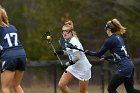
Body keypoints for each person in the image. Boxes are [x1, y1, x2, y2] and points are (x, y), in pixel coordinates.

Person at [85, 18, 140, 93]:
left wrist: (88, 52)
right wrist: (106, 57)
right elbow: (118, 54)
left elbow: (99, 54)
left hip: (124, 68)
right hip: (130, 65)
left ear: (109, 29)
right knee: (131, 90)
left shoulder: (110, 40)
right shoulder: (119, 38)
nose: (105, 31)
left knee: (111, 89)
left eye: (106, 29)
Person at [55, 20, 92, 93]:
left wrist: (66, 64)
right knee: (61, 85)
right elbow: (70, 53)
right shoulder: (67, 41)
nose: (64, 33)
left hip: (83, 69)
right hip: (74, 67)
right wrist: (61, 52)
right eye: (63, 31)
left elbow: (77, 57)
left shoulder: (74, 41)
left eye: (67, 31)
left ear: (71, 32)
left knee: (83, 92)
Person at [0, 6, 27, 93]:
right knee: (16, 85)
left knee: (5, 88)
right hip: (22, 54)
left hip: (9, 57)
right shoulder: (12, 27)